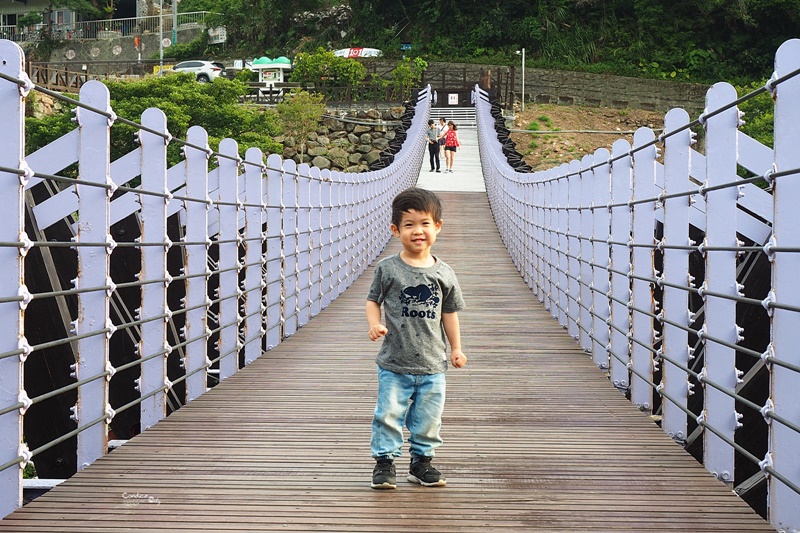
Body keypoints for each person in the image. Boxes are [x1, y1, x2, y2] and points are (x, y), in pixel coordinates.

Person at [366, 187, 467, 490]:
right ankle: (384, 463)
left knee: (428, 419)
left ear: (438, 226)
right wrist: (375, 324)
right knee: (388, 415)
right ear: (396, 230)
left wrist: (457, 348)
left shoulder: (444, 273)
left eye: (425, 223)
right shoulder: (388, 268)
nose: (418, 231)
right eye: (409, 225)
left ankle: (421, 463)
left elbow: (449, 313)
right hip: (394, 362)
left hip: (433, 363)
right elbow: (373, 300)